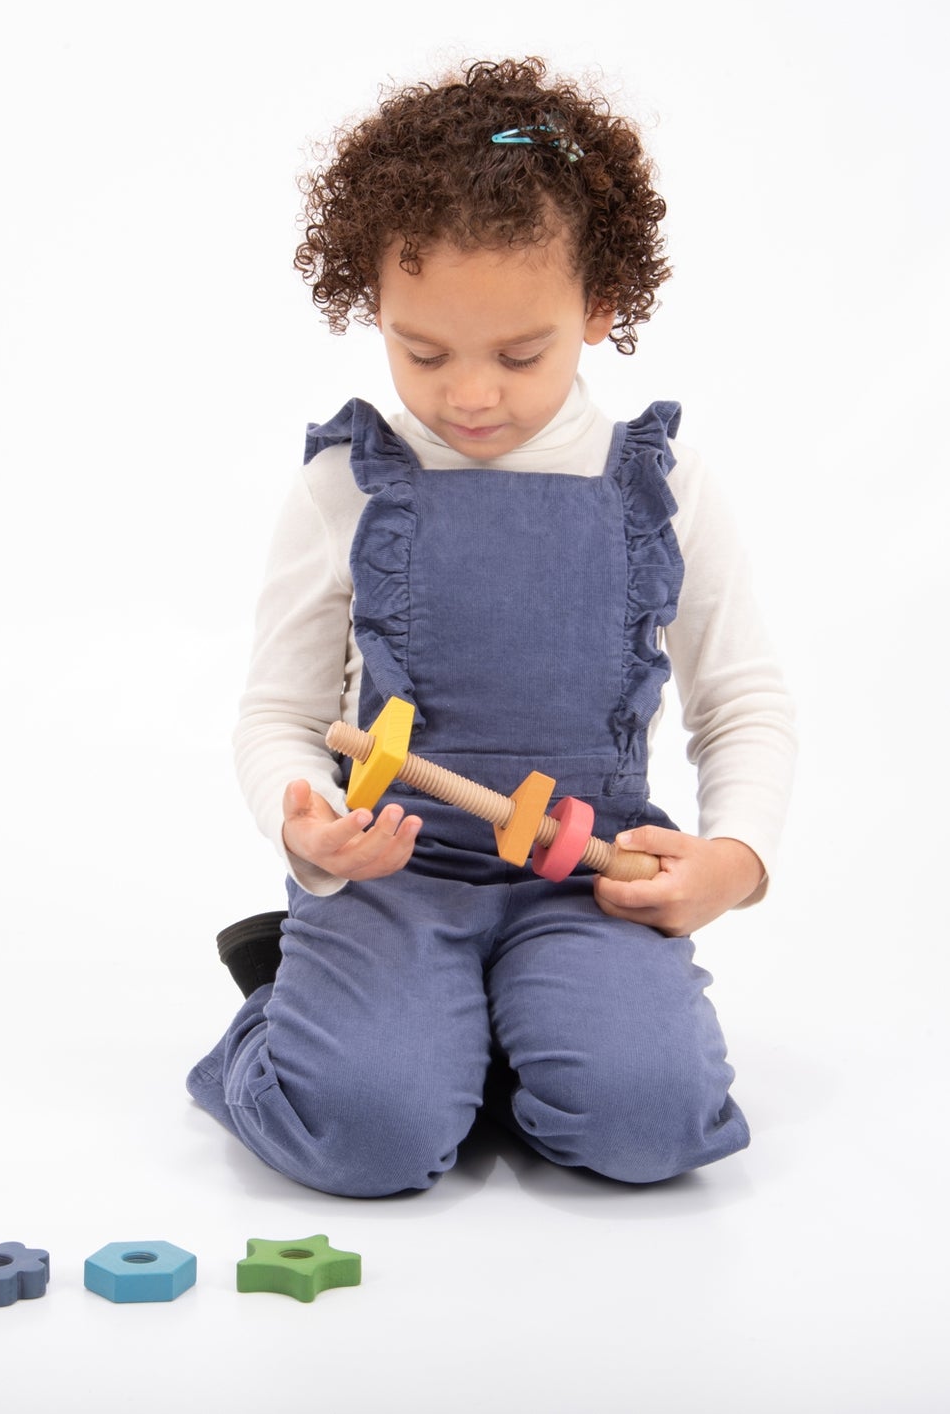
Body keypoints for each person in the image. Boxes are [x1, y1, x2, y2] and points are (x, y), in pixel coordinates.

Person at [186, 58, 795, 1197]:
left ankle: (488, 1040)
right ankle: (291, 1014)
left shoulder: (661, 488)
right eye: (421, 351)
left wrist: (733, 860)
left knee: (651, 1125)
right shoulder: (344, 485)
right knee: (362, 1134)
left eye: (519, 354)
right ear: (374, 307)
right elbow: (278, 711)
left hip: (584, 882)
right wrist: (302, 828)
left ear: (598, 308)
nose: (468, 394)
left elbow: (741, 699)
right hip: (391, 881)